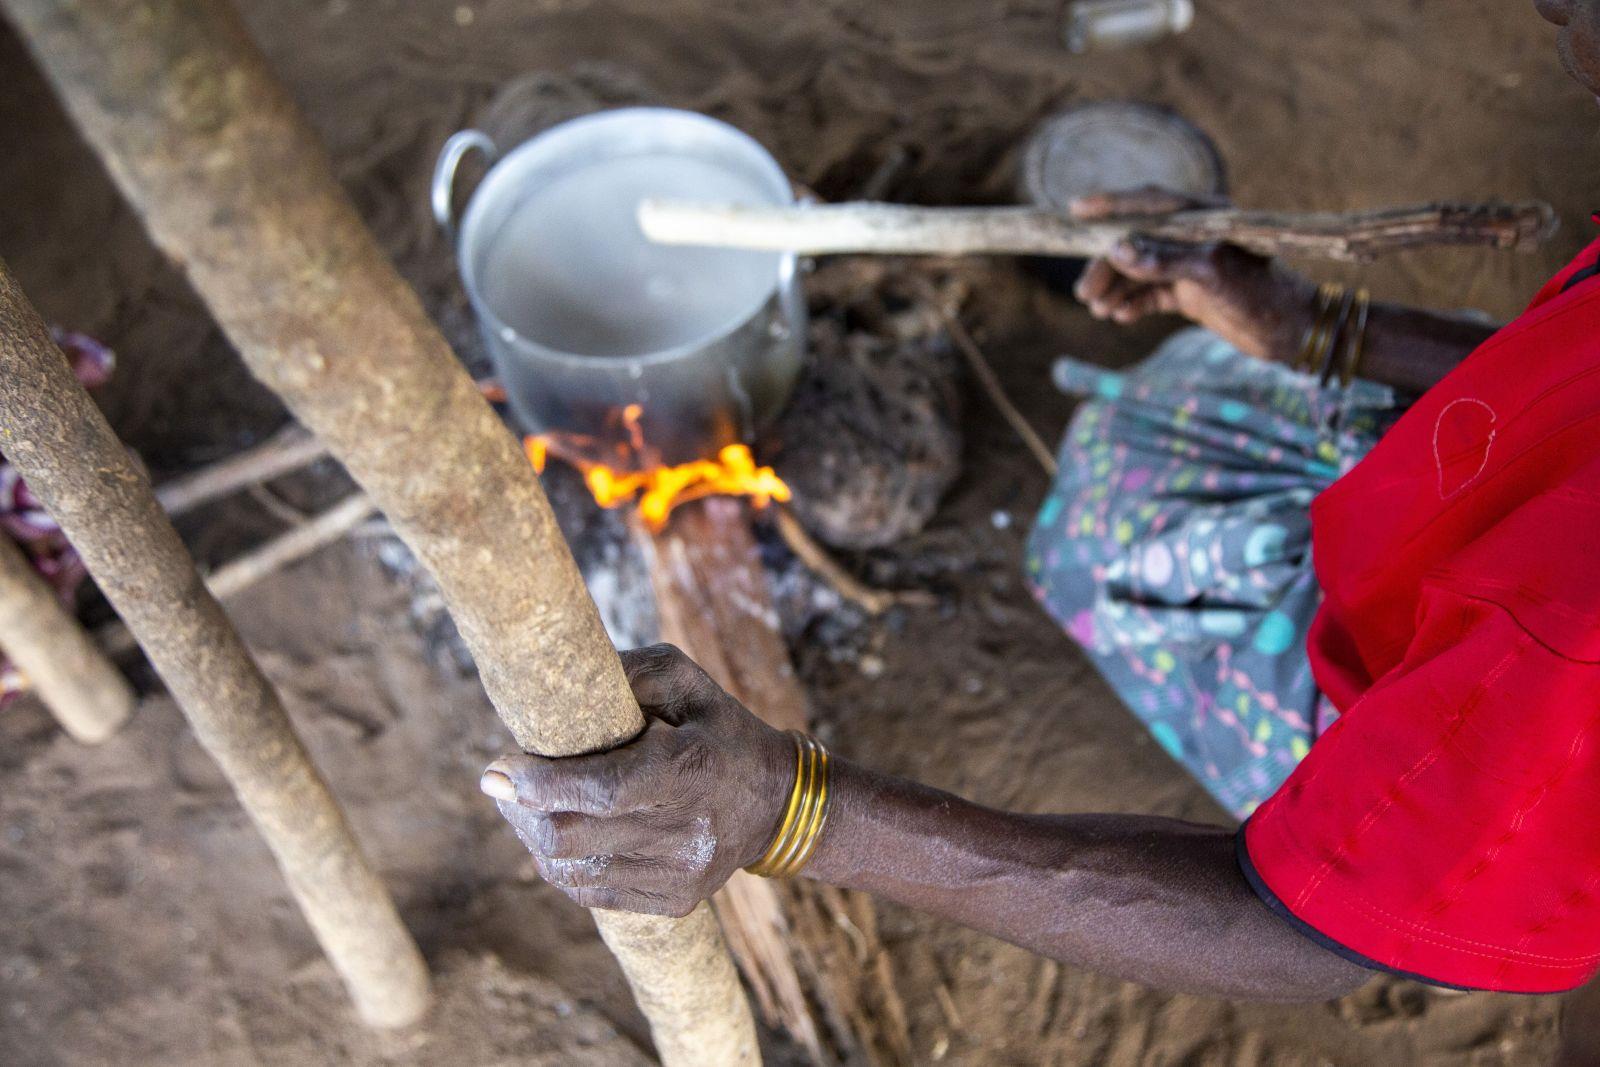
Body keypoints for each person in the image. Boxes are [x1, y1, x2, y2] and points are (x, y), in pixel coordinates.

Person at [479, 0, 1600, 1046]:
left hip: (1464, 715)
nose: (1546, 9)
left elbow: (1295, 927)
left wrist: (790, 804)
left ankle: (1465, 903)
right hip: (1460, 511)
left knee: (1097, 544)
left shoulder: (1569, 636)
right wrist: (1313, 328)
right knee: (1175, 398)